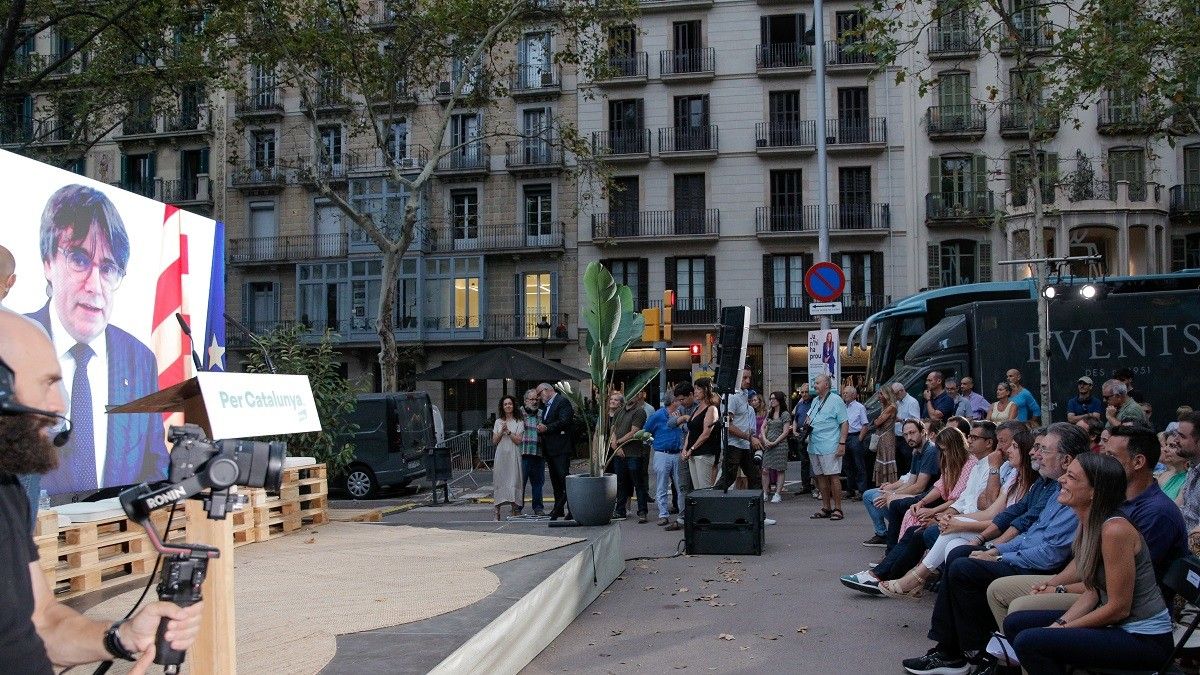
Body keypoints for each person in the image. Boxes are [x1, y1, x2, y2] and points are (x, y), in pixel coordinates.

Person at [0, 309, 203, 672]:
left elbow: (42, 622)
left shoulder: (8, 491)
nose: (59, 405)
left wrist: (120, 638)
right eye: (47, 383)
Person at [900, 423, 1090, 675]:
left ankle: (970, 652)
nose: (1035, 454)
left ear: (1066, 460)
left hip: (1039, 566)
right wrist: (990, 547)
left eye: (1042, 449)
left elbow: (1048, 551)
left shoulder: (1068, 492)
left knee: (963, 565)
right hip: (1022, 553)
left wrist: (997, 551)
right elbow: (1016, 520)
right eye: (1035, 448)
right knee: (958, 554)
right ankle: (955, 650)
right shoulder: (1047, 485)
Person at [28, 185, 170, 497]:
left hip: (118, 537)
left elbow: (155, 465)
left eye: (108, 268)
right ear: (48, 261)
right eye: (79, 259)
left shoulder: (139, 359)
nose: (95, 286)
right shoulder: (13, 344)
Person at [985, 425, 1188, 632]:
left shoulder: (1154, 514)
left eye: (1111, 456)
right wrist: (1053, 585)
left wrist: (1060, 591)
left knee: (1021, 617)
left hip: (1133, 617)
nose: (1103, 461)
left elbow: (1121, 591)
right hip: (1096, 593)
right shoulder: (1105, 506)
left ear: (1138, 462)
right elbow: (1087, 564)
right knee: (1000, 594)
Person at [1004, 453, 1174, 675]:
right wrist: (1060, 625)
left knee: (1031, 642)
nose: (1062, 480)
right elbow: (1093, 592)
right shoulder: (1089, 522)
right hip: (1118, 626)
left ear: (1095, 492)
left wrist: (1060, 630)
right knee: (1016, 623)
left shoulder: (1115, 530)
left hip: (1144, 639)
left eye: (1072, 477)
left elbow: (1119, 608)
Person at [858, 419, 939, 548]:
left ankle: (895, 542)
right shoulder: (916, 451)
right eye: (905, 435)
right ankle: (883, 534)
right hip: (918, 493)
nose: (909, 438)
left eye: (912, 433)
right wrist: (890, 492)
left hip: (928, 496)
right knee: (870, 495)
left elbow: (920, 487)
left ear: (923, 432)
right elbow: (911, 481)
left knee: (889, 500)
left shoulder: (930, 451)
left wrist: (892, 494)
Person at [806, 374, 849, 521]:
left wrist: (842, 443)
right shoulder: (815, 401)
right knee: (820, 477)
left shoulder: (836, 400)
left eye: (817, 383)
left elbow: (844, 423)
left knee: (833, 476)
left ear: (826, 385)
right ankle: (826, 507)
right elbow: (810, 419)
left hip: (830, 444)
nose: (815, 385)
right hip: (814, 445)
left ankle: (838, 508)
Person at [644, 390, 687, 530]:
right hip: (662, 452)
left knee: (680, 485)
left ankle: (682, 514)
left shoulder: (680, 415)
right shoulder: (657, 415)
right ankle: (663, 514)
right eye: (679, 400)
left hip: (678, 452)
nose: (681, 402)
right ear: (673, 402)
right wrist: (654, 443)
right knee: (662, 484)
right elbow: (646, 431)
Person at [715, 369, 762, 494]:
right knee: (728, 477)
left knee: (755, 477)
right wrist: (750, 438)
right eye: (744, 378)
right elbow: (728, 425)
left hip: (744, 444)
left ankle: (755, 510)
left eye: (749, 378)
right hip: (733, 444)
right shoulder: (731, 396)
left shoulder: (744, 394)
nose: (748, 381)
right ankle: (714, 503)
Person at [536, 382, 574, 521]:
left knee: (564, 479)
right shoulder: (547, 406)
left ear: (547, 390)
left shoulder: (562, 402)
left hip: (561, 448)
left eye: (540, 394)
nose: (539, 398)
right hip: (550, 449)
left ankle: (572, 509)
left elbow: (565, 421)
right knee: (555, 481)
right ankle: (558, 509)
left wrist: (547, 428)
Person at [610, 390, 649, 522]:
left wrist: (618, 443)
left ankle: (642, 511)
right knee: (621, 483)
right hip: (619, 453)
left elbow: (634, 431)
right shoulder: (619, 411)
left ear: (638, 397)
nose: (631, 396)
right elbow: (613, 429)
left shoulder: (639, 411)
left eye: (634, 393)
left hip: (633, 453)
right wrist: (614, 443)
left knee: (638, 482)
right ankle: (620, 511)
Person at [683, 378, 720, 492]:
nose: (695, 392)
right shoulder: (697, 408)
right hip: (692, 453)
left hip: (704, 453)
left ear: (706, 390)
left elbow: (706, 434)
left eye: (698, 389)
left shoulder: (711, 408)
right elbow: (691, 430)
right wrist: (685, 448)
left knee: (704, 490)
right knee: (697, 491)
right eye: (695, 388)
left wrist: (691, 448)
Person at [490, 395, 524, 521]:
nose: (508, 406)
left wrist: (508, 432)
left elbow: (519, 440)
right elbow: (494, 440)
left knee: (514, 479)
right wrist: (501, 431)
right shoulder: (498, 422)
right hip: (501, 454)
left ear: (513, 405)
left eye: (510, 404)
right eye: (505, 404)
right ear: (502, 407)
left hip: (513, 454)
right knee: (500, 480)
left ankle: (515, 509)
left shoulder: (519, 421)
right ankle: (497, 511)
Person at [758, 391, 792, 503]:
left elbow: (786, 432)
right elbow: (763, 427)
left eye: (774, 399)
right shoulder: (769, 413)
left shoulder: (785, 414)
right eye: (770, 399)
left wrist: (775, 442)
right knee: (765, 469)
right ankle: (765, 493)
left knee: (780, 469)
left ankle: (777, 493)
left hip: (780, 445)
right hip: (769, 444)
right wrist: (765, 439)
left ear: (779, 400)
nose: (771, 401)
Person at [518, 389, 545, 516]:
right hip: (522, 453)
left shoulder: (541, 413)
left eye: (536, 399)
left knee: (538, 483)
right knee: (520, 483)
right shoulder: (519, 413)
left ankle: (538, 508)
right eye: (531, 399)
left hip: (538, 453)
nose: (534, 402)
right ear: (525, 401)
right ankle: (517, 508)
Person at [843, 384, 870, 500]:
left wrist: (859, 439)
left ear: (853, 395)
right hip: (844, 436)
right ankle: (850, 489)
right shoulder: (842, 407)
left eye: (846, 393)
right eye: (843, 393)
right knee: (847, 465)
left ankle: (861, 490)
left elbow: (865, 424)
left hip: (855, 436)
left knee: (859, 465)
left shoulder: (860, 407)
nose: (844, 395)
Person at [872, 384, 899, 486]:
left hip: (886, 437)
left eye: (881, 394)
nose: (879, 396)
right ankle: (882, 483)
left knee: (887, 458)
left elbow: (878, 422)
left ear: (887, 395)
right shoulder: (885, 406)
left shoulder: (891, 407)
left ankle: (888, 483)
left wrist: (876, 420)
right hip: (883, 435)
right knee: (882, 458)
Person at [894, 382, 922, 475]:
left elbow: (916, 420)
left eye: (895, 394)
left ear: (901, 391)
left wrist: (901, 420)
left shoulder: (912, 402)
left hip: (907, 437)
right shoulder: (898, 402)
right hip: (897, 436)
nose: (894, 397)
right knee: (899, 463)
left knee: (908, 461)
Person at [791, 382, 814, 493]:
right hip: (801, 434)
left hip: (811, 433)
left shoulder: (815, 403)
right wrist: (794, 431)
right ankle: (805, 486)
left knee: (813, 460)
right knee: (804, 461)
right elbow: (796, 418)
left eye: (806, 392)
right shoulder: (799, 405)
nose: (804, 394)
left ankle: (815, 486)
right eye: (802, 392)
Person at [1156, 432, 1187, 504]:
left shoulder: (1190, 479)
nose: (1165, 449)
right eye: (1166, 444)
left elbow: (1175, 511)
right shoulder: (1166, 475)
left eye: (1172, 446)